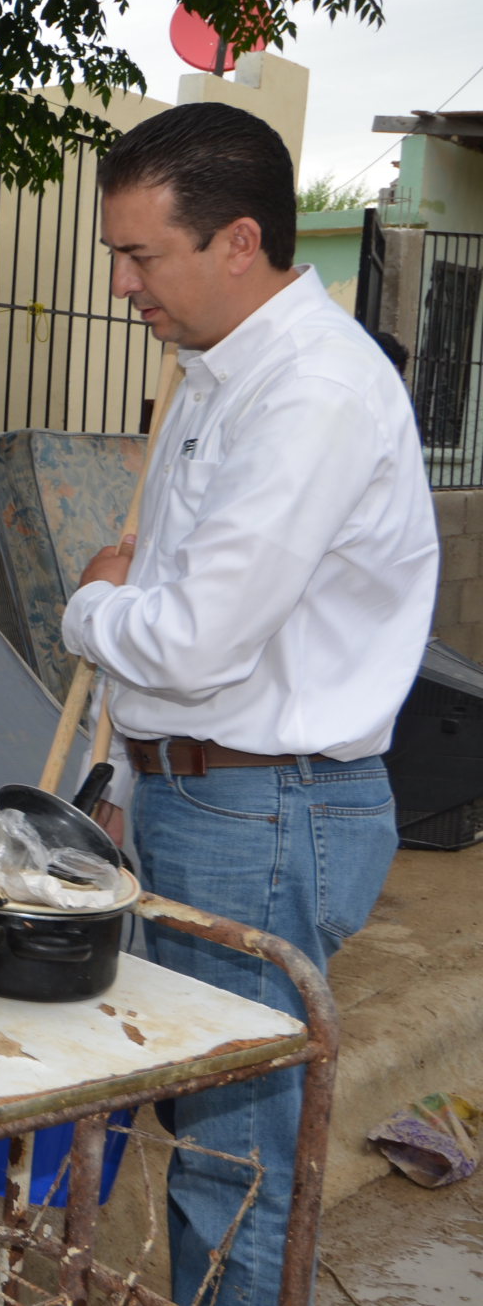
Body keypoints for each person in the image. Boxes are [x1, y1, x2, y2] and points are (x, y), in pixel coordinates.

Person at [67, 102, 437, 1306]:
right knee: (210, 1132)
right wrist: (129, 777)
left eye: (139, 255)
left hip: (266, 809)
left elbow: (186, 638)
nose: (123, 284)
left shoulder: (307, 394)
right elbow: (177, 620)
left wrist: (85, 608)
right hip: (204, 789)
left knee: (234, 1158)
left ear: (236, 240)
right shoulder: (218, 376)